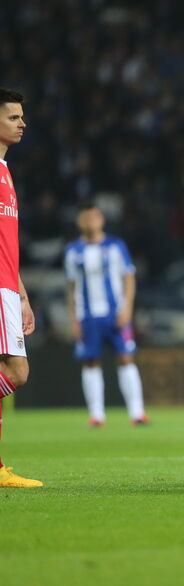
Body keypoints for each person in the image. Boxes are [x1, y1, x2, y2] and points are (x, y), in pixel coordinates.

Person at [64, 204, 148, 427]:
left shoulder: (116, 246)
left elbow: (129, 278)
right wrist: (74, 319)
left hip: (115, 314)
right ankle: (97, 415)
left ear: (101, 220)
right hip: (87, 316)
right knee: (90, 361)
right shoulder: (73, 251)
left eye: (94, 216)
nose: (90, 221)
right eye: (86, 217)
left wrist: (127, 309)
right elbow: (71, 287)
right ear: (79, 222)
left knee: (126, 357)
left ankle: (137, 413)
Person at [0, 87, 41, 488]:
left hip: (8, 289)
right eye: (13, 116)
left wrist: (22, 295)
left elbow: (7, 245)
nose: (22, 122)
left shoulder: (5, 172)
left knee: (9, 370)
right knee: (17, 372)